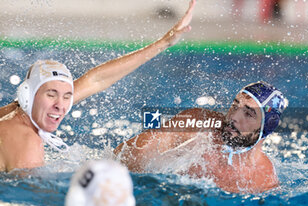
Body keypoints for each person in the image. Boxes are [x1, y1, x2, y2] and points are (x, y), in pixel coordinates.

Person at [0, 0, 196, 172]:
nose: (60, 105)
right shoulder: (27, 141)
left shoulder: (24, 112)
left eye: (68, 96)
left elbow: (95, 80)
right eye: (51, 94)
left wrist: (163, 43)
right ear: (27, 95)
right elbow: (34, 202)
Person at [114, 81, 288, 193]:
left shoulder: (263, 180)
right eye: (235, 106)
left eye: (248, 114)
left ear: (265, 128)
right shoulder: (199, 123)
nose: (234, 116)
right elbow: (124, 155)